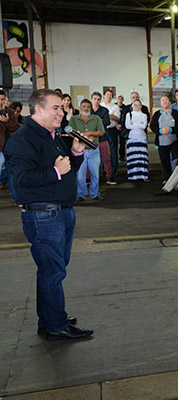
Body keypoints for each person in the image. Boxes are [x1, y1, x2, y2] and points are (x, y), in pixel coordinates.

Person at [4, 89, 93, 340]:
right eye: (55, 108)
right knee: (52, 270)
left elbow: (67, 170)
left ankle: (50, 319)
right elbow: (22, 180)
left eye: (61, 108)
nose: (61, 112)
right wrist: (54, 171)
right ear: (38, 110)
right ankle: (55, 324)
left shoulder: (52, 136)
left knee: (54, 269)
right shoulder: (22, 140)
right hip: (43, 216)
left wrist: (75, 152)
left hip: (61, 213)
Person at [70, 99, 105, 201]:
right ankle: (81, 194)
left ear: (91, 108)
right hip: (80, 151)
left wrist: (88, 133)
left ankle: (95, 193)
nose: (86, 108)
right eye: (84, 106)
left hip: (94, 150)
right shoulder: (74, 119)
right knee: (80, 175)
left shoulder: (96, 118)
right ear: (80, 108)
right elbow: (70, 132)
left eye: (88, 107)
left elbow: (101, 132)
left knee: (95, 174)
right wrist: (80, 137)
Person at [150, 95, 178, 181]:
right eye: (163, 101)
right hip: (161, 142)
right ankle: (167, 178)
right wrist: (160, 131)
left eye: (166, 100)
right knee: (164, 161)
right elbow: (152, 126)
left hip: (174, 141)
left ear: (170, 102)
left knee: (176, 160)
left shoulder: (175, 113)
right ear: (160, 103)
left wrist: (171, 129)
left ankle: (177, 179)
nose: (164, 102)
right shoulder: (157, 114)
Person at [90, 92, 113, 186]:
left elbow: (107, 122)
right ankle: (88, 178)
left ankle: (109, 177)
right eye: (94, 99)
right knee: (89, 159)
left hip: (102, 138)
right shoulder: (87, 110)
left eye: (98, 99)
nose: (96, 101)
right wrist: (99, 120)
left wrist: (94, 121)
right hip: (90, 139)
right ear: (91, 99)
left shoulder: (104, 110)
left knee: (106, 158)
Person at [125, 99, 150, 182]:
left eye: (138, 104)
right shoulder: (129, 114)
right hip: (132, 138)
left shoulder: (144, 115)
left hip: (142, 138)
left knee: (142, 157)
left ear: (141, 106)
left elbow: (144, 126)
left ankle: (144, 175)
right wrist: (139, 124)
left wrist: (134, 124)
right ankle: (133, 175)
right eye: (135, 105)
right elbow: (128, 126)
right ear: (132, 106)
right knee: (133, 158)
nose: (137, 106)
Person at [100, 89, 120, 181]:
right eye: (107, 94)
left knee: (113, 149)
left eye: (111, 95)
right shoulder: (100, 106)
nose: (109, 96)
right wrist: (110, 115)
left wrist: (106, 116)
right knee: (103, 151)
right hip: (102, 130)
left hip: (112, 130)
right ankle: (104, 169)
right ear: (104, 95)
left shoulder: (115, 107)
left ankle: (114, 168)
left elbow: (117, 118)